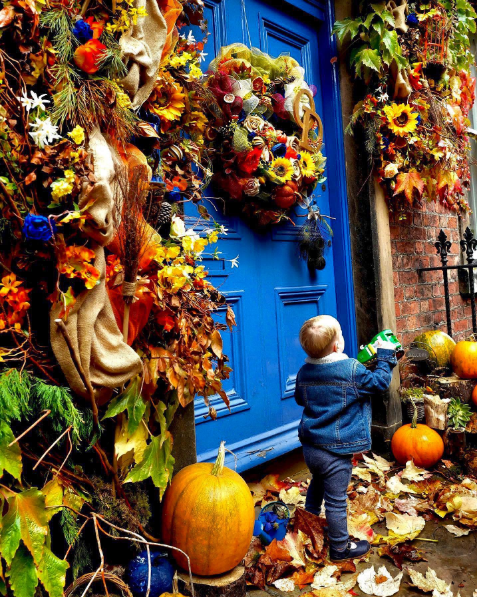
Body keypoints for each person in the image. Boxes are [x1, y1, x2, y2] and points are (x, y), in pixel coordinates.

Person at [294, 315, 397, 561]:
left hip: (311, 449)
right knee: (336, 501)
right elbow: (380, 382)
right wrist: (384, 357)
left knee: (317, 483)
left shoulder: (304, 372)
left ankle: (308, 524)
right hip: (336, 452)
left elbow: (300, 398)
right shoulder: (351, 369)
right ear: (336, 346)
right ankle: (340, 548)